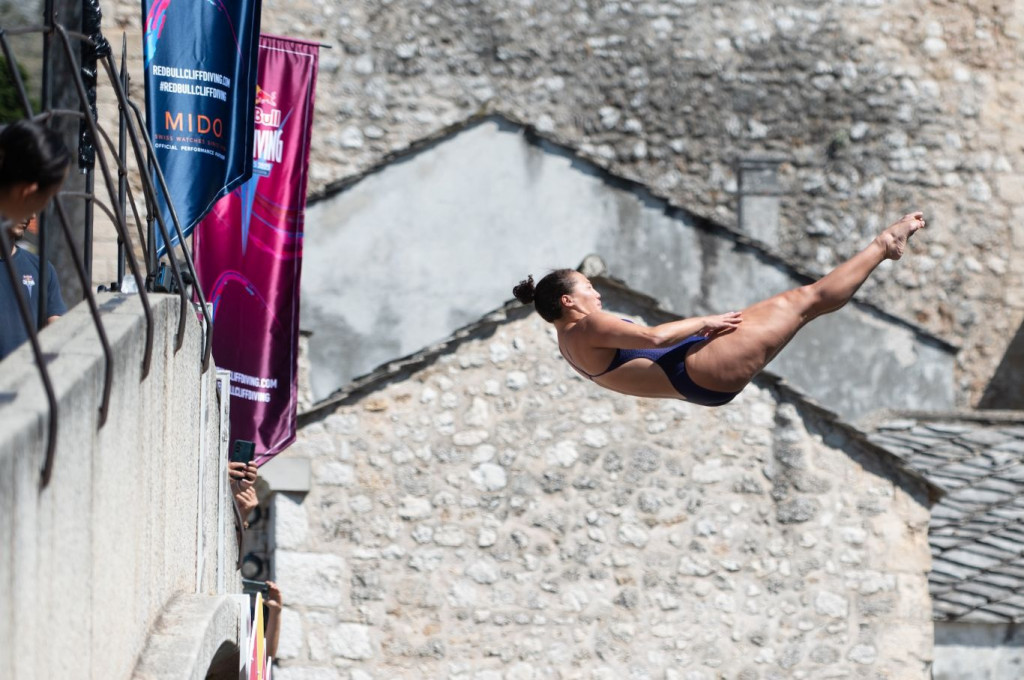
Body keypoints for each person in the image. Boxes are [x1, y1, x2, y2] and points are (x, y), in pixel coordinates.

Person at [513, 212, 926, 406]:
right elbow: (651, 337)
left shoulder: (567, 342)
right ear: (568, 301)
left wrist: (693, 341)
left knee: (802, 304)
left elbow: (642, 360)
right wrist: (704, 322)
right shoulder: (587, 327)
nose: (597, 295)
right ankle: (883, 245)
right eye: (588, 288)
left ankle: (881, 247)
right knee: (805, 300)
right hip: (694, 368)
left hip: (695, 376)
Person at [0, 119, 71, 361]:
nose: (35, 214)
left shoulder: (42, 270)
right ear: (27, 192)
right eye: (46, 196)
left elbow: (57, 334)